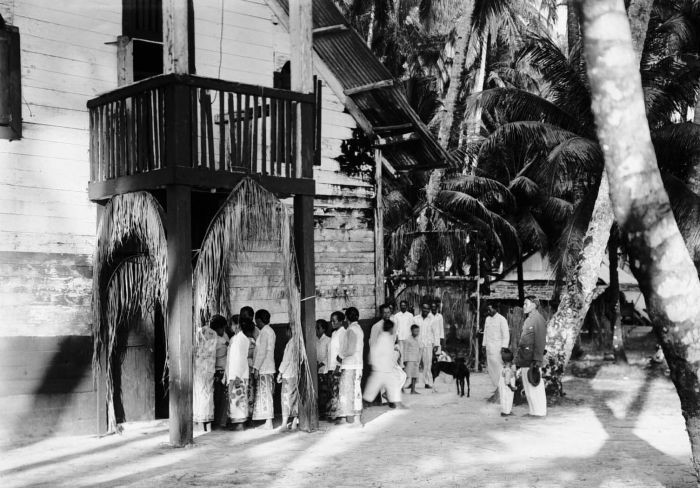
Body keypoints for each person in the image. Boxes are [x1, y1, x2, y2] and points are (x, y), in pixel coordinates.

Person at [516, 296, 547, 417]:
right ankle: (533, 411)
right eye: (524, 304)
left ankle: (540, 412)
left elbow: (540, 341)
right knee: (528, 386)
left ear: (534, 305)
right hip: (525, 358)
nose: (524, 306)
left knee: (535, 384)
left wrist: (537, 359)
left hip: (532, 359)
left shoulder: (538, 319)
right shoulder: (529, 319)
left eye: (526, 304)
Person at [363, 320, 404, 409]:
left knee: (393, 384)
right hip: (380, 368)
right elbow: (374, 353)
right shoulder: (382, 339)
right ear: (390, 329)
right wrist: (375, 364)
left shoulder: (387, 338)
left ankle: (395, 402)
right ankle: (365, 402)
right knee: (373, 387)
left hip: (386, 368)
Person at [226, 319, 256, 430]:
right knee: (242, 399)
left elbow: (235, 359)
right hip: (243, 372)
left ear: (238, 326)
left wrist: (234, 376)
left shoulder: (237, 339)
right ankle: (241, 424)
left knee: (236, 399)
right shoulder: (246, 340)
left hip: (237, 373)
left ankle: (239, 425)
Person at [337, 307, 364, 424]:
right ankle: (355, 420)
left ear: (346, 318)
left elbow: (351, 350)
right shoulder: (359, 329)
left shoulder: (351, 330)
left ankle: (354, 420)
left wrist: (340, 356)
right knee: (356, 391)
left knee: (349, 392)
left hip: (350, 366)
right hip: (357, 365)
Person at [193, 316, 219, 430]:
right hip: (210, 368)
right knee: (209, 394)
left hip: (199, 368)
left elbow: (194, 351)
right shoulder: (214, 334)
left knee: (199, 394)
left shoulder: (196, 333)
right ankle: (208, 425)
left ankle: (200, 424)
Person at [252, 309, 276, 429]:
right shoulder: (268, 331)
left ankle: (269, 422)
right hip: (267, 367)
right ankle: (267, 421)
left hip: (264, 368)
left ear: (259, 320)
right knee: (266, 394)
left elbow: (261, 352)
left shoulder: (265, 332)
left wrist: (256, 368)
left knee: (266, 394)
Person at [483, 304, 511, 389]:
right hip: (489, 348)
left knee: (499, 368)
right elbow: (485, 333)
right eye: (487, 310)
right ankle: (497, 387)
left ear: (495, 309)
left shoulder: (502, 319)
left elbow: (506, 335)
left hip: (498, 349)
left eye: (490, 310)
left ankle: (501, 387)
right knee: (491, 369)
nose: (488, 312)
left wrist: (504, 347)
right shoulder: (487, 319)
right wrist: (483, 345)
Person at [326, 311, 346, 422]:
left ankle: (340, 415)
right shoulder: (334, 333)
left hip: (338, 368)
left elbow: (342, 352)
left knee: (338, 391)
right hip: (331, 367)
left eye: (334, 320)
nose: (332, 323)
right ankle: (334, 414)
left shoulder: (343, 333)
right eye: (331, 321)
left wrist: (338, 368)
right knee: (333, 392)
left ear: (341, 321)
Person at [278, 327, 299, 431]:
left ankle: (284, 423)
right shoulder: (299, 343)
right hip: (296, 374)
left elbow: (286, 360)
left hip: (288, 374)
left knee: (285, 398)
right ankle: (294, 422)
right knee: (295, 398)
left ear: (289, 331)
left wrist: (280, 373)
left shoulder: (290, 343)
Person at [211, 315, 230, 429]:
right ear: (217, 328)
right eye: (222, 328)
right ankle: (219, 422)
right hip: (218, 371)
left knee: (221, 398)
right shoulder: (216, 339)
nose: (223, 331)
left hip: (222, 370)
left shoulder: (224, 335)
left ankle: (221, 421)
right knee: (219, 398)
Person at [413, 302, 436, 388]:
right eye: (424, 308)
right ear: (421, 308)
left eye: (427, 309)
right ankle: (413, 383)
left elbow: (435, 333)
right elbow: (411, 332)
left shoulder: (432, 320)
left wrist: (435, 345)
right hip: (417, 345)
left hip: (428, 345)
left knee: (427, 364)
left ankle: (427, 382)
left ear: (429, 310)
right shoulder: (415, 319)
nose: (426, 310)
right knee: (415, 363)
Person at [316, 319, 331, 418]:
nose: (316, 330)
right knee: (318, 391)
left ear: (324, 329)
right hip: (316, 369)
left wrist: (321, 364)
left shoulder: (328, 340)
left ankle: (326, 412)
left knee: (325, 392)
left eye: (318, 328)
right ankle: (319, 412)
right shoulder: (314, 340)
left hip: (324, 369)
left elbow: (329, 355)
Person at [403, 324, 421, 394]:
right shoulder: (408, 340)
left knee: (415, 375)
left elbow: (418, 350)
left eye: (418, 331)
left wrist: (419, 360)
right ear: (411, 331)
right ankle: (400, 388)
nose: (417, 333)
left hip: (416, 359)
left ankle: (413, 390)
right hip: (409, 360)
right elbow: (405, 350)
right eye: (415, 331)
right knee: (406, 375)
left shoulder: (417, 339)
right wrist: (405, 360)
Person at [498, 348, 517, 416]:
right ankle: (505, 412)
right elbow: (507, 381)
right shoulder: (508, 370)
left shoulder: (505, 368)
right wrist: (512, 387)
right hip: (507, 387)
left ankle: (507, 411)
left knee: (506, 398)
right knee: (507, 399)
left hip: (505, 388)